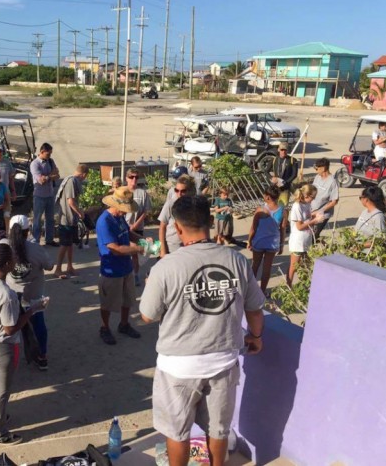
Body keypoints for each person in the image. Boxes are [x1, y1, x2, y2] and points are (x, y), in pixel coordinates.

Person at [140, 195, 265, 466]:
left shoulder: (166, 267)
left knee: (177, 432)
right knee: (218, 430)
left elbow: (148, 315)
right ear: (210, 222)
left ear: (178, 228)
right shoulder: (237, 260)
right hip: (223, 361)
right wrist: (255, 337)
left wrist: (153, 284)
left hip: (177, 368)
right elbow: (254, 309)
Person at [0, 243, 45, 445]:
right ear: (6, 265)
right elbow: (10, 329)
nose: (15, 261)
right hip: (3, 346)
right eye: (12, 259)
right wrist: (33, 310)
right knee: (2, 391)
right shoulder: (6, 294)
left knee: (0, 390)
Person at [96, 186, 145, 345]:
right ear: (115, 205)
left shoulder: (119, 217)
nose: (126, 212)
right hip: (111, 269)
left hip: (126, 267)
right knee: (108, 302)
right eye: (124, 209)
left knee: (128, 299)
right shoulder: (105, 222)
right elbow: (115, 249)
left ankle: (124, 324)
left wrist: (141, 240)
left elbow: (128, 232)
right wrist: (138, 249)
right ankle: (104, 327)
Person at [6, 215, 54, 371]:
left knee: (8, 327)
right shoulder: (36, 249)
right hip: (33, 296)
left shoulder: (4, 247)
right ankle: (42, 357)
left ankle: (6, 360)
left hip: (10, 295)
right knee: (39, 325)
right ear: (28, 232)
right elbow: (49, 266)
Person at [248, 185, 288, 292]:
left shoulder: (260, 210)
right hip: (273, 244)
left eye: (264, 195)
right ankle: (262, 291)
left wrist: (249, 241)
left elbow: (253, 228)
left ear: (268, 197)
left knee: (255, 265)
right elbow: (283, 229)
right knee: (267, 268)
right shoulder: (283, 211)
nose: (263, 196)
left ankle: (250, 290)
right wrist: (281, 245)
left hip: (259, 242)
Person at [54, 164, 88, 278]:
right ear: (83, 174)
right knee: (64, 244)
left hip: (71, 218)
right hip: (66, 219)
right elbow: (71, 202)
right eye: (85, 177)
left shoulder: (72, 180)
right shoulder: (72, 182)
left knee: (70, 244)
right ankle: (58, 269)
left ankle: (69, 266)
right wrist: (80, 212)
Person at [287, 185, 323, 287]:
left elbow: (307, 217)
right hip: (298, 241)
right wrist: (314, 221)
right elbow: (299, 226)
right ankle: (289, 286)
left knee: (306, 264)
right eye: (313, 197)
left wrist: (314, 215)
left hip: (306, 239)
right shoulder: (297, 206)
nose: (313, 200)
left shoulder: (306, 204)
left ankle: (305, 285)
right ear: (306, 195)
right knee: (294, 266)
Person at [124, 168, 152, 286]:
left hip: (137, 227)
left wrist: (135, 224)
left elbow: (146, 211)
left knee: (135, 252)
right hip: (124, 227)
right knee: (125, 252)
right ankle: (126, 274)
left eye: (136, 177)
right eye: (131, 177)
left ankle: (135, 274)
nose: (134, 179)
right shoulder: (122, 192)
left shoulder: (142, 193)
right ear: (126, 178)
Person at [30, 143, 60, 246]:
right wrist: (50, 176)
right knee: (37, 219)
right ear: (42, 152)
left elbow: (57, 174)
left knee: (50, 219)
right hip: (39, 196)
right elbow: (40, 180)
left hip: (50, 195)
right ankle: (36, 241)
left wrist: (47, 177)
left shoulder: (50, 161)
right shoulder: (35, 164)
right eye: (48, 154)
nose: (49, 156)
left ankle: (49, 239)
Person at [159, 175, 195, 258]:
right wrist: (163, 250)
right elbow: (162, 227)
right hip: (172, 247)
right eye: (176, 190)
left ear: (189, 191)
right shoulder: (170, 204)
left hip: (188, 247)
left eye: (183, 191)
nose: (179, 194)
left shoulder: (193, 205)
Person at [311, 158, 339, 238]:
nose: (316, 171)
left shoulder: (332, 182)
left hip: (322, 214)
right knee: (309, 234)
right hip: (312, 211)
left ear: (323, 168)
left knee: (314, 236)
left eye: (317, 169)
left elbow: (334, 201)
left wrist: (319, 211)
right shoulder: (317, 177)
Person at [269, 142, 298, 206]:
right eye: (282, 150)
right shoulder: (274, 159)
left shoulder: (292, 160)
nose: (283, 152)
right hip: (274, 187)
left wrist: (285, 182)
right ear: (279, 150)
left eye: (285, 150)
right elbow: (266, 170)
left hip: (285, 187)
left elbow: (294, 174)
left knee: (283, 206)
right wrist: (271, 178)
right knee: (273, 205)